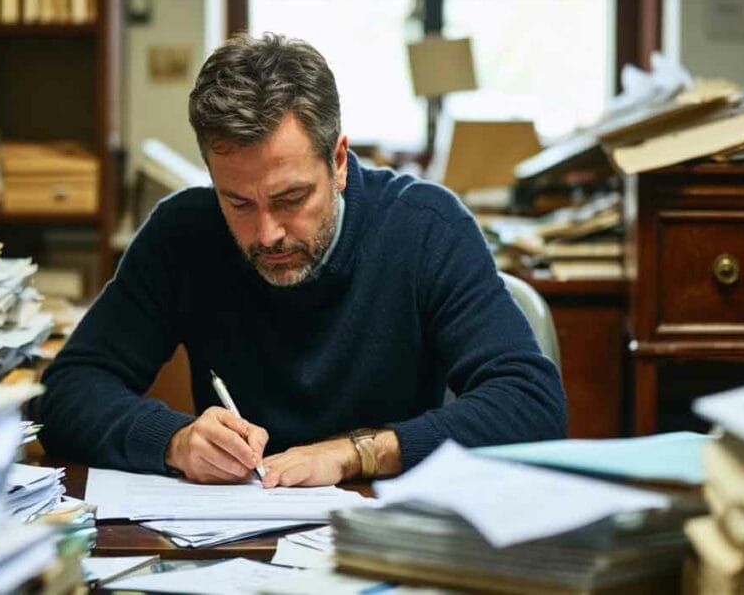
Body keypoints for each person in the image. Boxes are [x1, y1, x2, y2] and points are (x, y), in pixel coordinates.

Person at [38, 33, 565, 488]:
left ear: (337, 161)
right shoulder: (183, 234)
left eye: (291, 199)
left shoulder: (425, 228)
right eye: (238, 203)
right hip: (235, 539)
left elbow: (531, 404)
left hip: (388, 534)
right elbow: (67, 392)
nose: (267, 233)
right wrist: (173, 440)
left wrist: (354, 453)